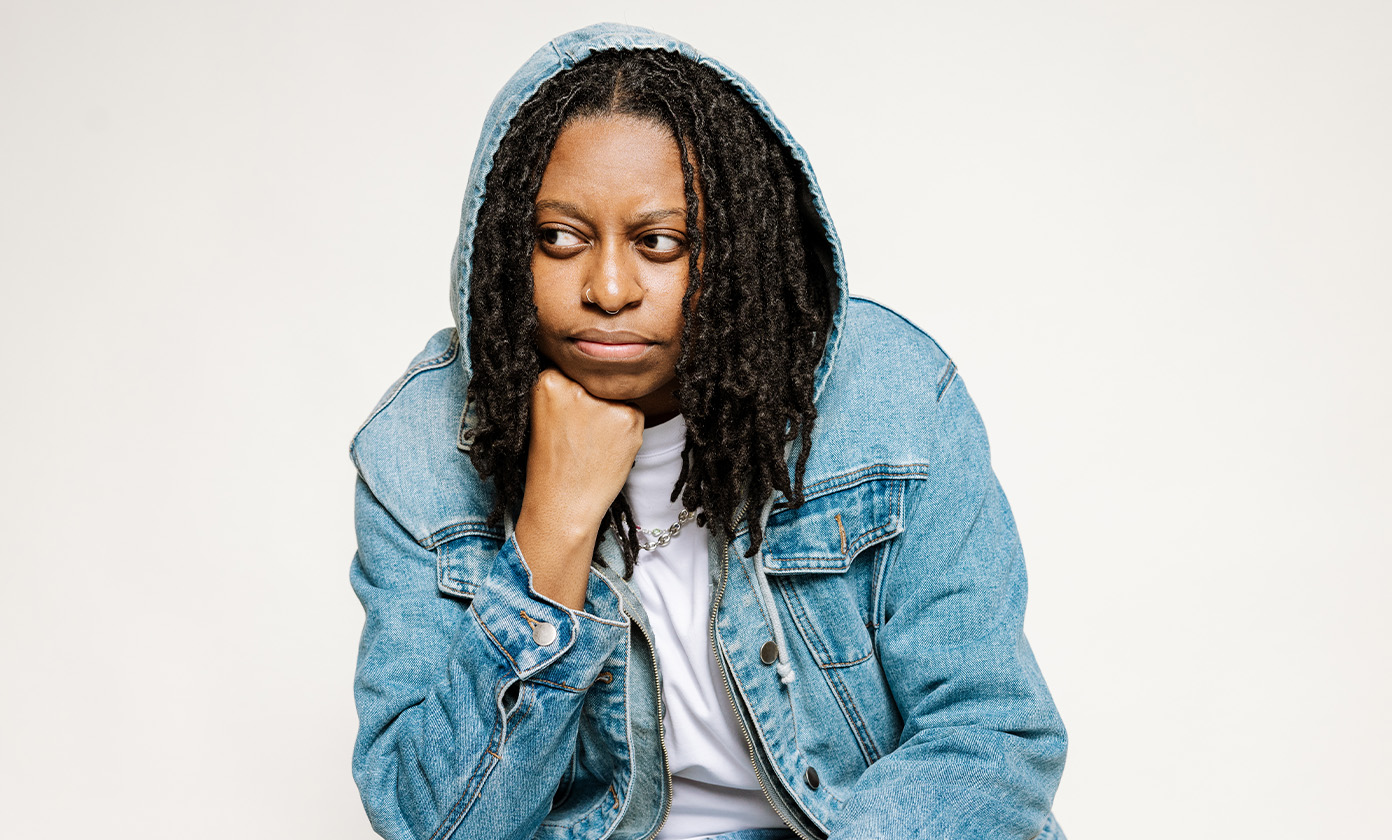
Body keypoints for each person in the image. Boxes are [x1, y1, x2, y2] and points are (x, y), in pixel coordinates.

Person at [349, 23, 1067, 840]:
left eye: (660, 244)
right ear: (505, 251)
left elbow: (991, 739)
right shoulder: (421, 448)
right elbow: (435, 825)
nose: (609, 287)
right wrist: (553, 527)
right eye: (560, 239)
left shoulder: (893, 396)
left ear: (734, 250)